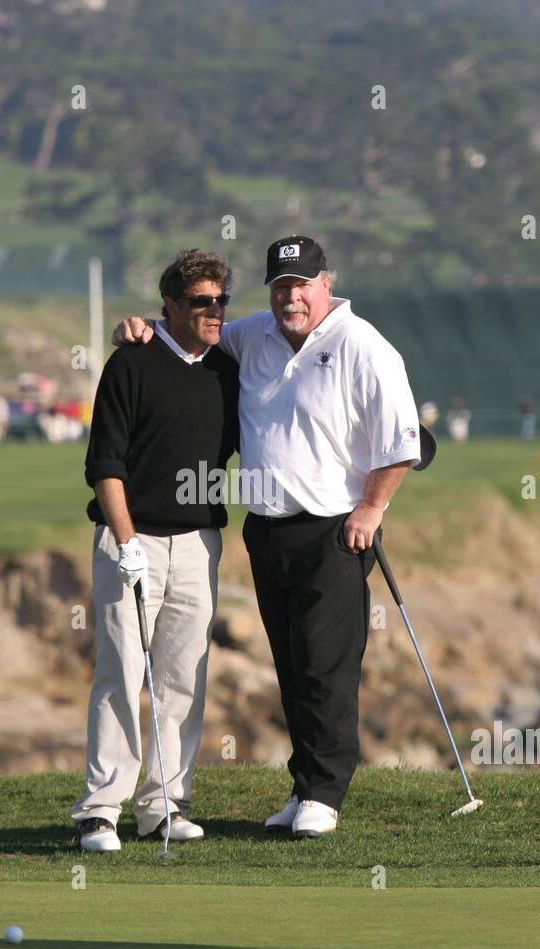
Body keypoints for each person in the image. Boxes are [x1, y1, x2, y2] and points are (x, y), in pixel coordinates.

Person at [113, 235, 422, 838]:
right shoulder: (253, 334)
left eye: (301, 285)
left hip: (334, 531)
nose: (290, 298)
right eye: (280, 287)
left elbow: (401, 443)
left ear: (325, 284)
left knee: (326, 668)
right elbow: (192, 332)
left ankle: (325, 795)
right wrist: (142, 326)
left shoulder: (363, 345)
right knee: (291, 664)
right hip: (267, 531)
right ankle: (303, 788)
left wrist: (370, 510)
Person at [71, 249, 239, 853]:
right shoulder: (131, 363)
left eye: (221, 300)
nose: (215, 311)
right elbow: (105, 465)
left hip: (199, 543)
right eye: (201, 302)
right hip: (131, 539)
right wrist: (125, 542)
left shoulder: (228, 370)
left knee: (183, 678)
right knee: (120, 671)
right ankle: (100, 810)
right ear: (169, 305)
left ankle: (164, 805)